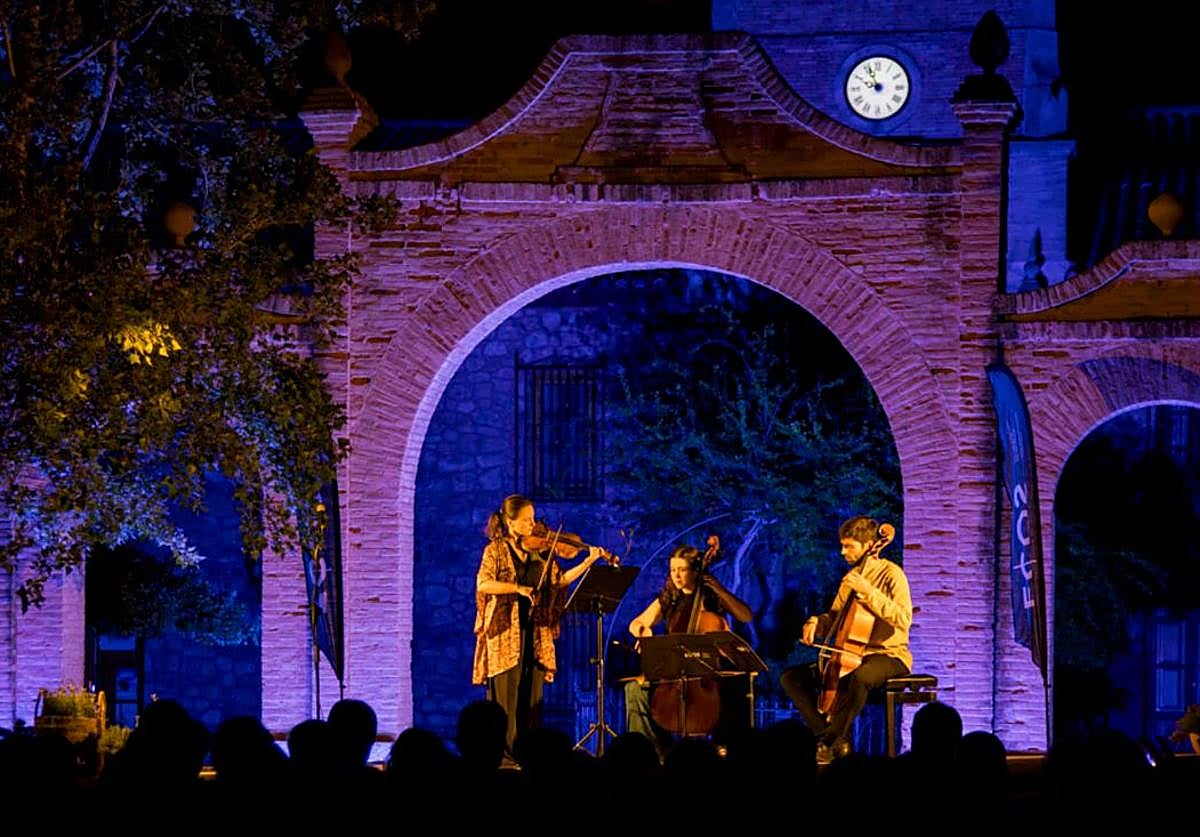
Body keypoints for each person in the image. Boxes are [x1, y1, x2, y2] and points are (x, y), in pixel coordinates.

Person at [472, 494, 606, 758]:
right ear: (511, 522)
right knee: (505, 698)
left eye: (533, 519)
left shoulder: (540, 553)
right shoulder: (495, 550)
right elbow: (483, 584)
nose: (533, 525)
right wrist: (517, 588)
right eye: (526, 520)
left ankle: (527, 753)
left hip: (535, 631)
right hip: (504, 633)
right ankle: (504, 755)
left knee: (532, 696)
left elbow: (559, 581)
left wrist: (587, 562)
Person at [780, 515, 911, 763]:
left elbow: (903, 618)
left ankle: (829, 741)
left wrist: (868, 591)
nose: (842, 552)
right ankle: (828, 736)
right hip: (850, 654)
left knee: (860, 677)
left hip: (888, 655)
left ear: (869, 545)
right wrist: (816, 623)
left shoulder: (892, 575)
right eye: (842, 546)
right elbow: (835, 617)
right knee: (791, 678)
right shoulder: (850, 579)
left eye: (849, 546)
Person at [624, 543, 754, 756]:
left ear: (695, 571)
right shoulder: (669, 598)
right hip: (673, 673)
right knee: (634, 689)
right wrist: (643, 631)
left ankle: (724, 746)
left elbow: (745, 616)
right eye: (673, 569)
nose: (676, 575)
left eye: (682, 569)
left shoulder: (712, 597)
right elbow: (636, 623)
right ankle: (654, 751)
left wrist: (720, 590)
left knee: (734, 688)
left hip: (706, 673)